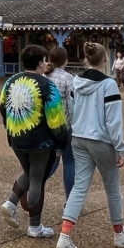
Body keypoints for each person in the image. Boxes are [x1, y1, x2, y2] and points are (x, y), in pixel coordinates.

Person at [56, 42, 124, 248]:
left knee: (79, 186)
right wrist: (120, 148)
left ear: (86, 59)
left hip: (78, 137)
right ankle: (119, 234)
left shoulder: (76, 81)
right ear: (105, 59)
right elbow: (113, 121)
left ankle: (64, 235)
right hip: (101, 140)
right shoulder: (108, 85)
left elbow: (72, 110)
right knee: (112, 188)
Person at [0, 45, 69, 239]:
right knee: (37, 179)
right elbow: (56, 118)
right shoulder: (47, 85)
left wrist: (10, 127)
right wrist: (62, 142)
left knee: (29, 173)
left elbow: (2, 106)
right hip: (41, 142)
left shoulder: (10, 82)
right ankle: (35, 227)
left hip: (16, 137)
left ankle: (11, 203)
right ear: (40, 63)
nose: (46, 64)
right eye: (45, 60)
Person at [44, 46, 75, 201]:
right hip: (64, 125)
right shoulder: (68, 78)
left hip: (46, 125)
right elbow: (71, 104)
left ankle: (29, 186)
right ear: (65, 60)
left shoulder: (43, 76)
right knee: (69, 162)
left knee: (50, 160)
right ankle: (70, 201)